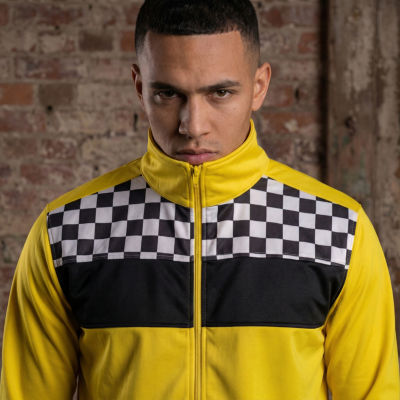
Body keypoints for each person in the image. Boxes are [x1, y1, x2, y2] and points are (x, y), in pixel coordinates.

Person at [1, 0, 399, 398]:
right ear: (139, 87)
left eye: (220, 92)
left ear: (259, 86)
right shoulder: (66, 231)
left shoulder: (337, 230)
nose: (193, 125)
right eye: (167, 94)